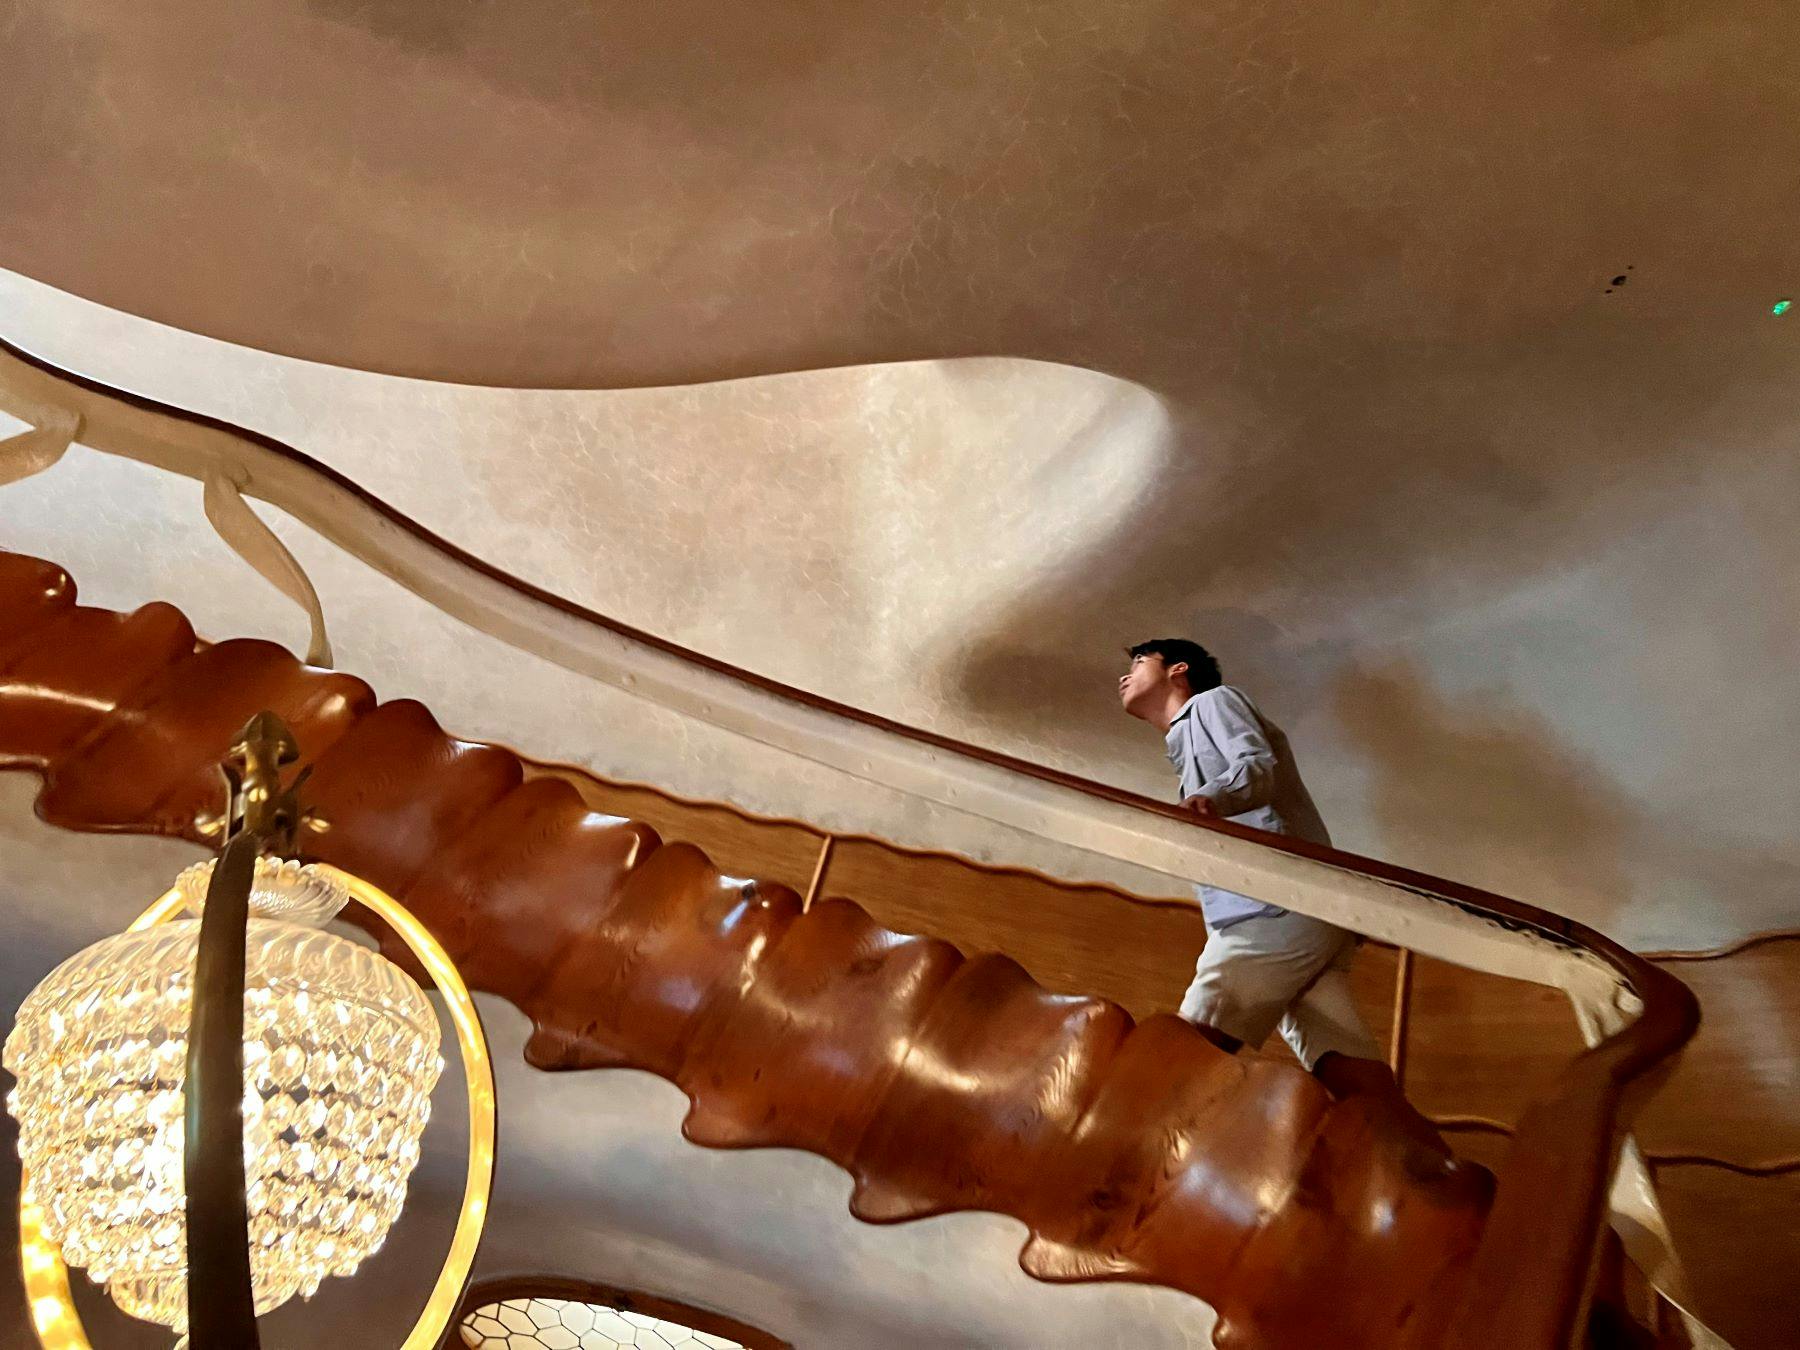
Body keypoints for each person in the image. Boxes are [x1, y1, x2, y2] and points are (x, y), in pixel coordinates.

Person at [1118, 637, 1449, 1154]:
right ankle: (1437, 1177)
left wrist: (1211, 799)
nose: (1125, 675)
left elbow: (1257, 765)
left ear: (1178, 669)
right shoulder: (1185, 742)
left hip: (1275, 907)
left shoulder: (1211, 702)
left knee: (1184, 1057)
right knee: (1357, 1082)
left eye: (1138, 662)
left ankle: (1131, 1166)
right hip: (1303, 912)